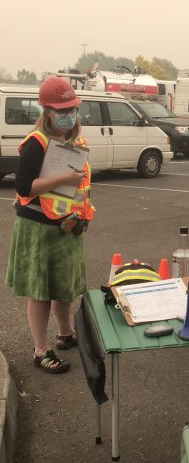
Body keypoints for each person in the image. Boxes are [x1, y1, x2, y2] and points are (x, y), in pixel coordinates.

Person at [5, 77, 95, 374]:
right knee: (41, 291)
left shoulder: (75, 140)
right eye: (62, 110)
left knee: (63, 287)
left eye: (72, 109)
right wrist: (63, 179)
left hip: (67, 226)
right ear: (47, 111)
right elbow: (24, 187)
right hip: (38, 228)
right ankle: (41, 350)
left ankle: (66, 334)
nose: (69, 115)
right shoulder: (36, 143)